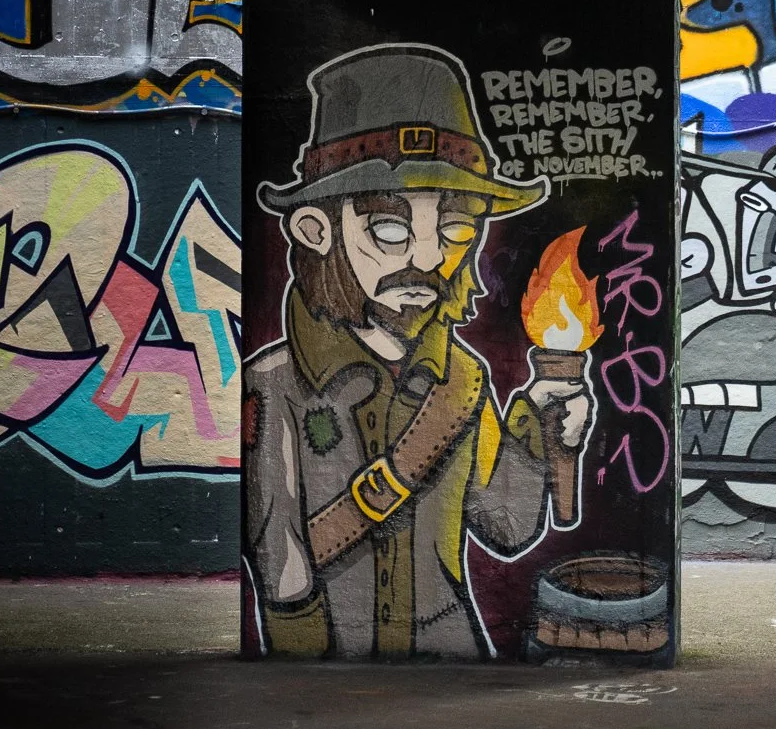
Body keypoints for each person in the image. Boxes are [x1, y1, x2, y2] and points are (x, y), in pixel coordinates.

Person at [243, 43, 593, 661]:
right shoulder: (274, 385)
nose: (430, 258)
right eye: (389, 229)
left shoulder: (462, 380)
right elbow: (283, 570)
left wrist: (542, 431)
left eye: (456, 229)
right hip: (328, 667)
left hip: (453, 645)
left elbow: (507, 528)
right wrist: (303, 677)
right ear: (315, 230)